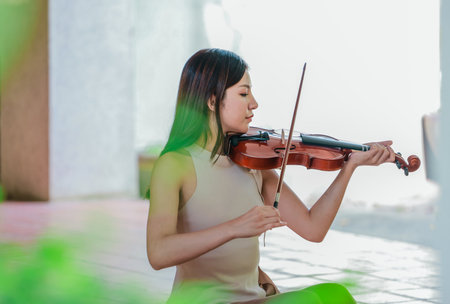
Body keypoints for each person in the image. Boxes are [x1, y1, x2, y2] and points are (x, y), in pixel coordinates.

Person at [146, 48, 395, 303]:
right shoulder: (175, 164)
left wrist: (349, 166)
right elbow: (158, 253)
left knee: (335, 295)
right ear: (211, 101)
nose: (254, 103)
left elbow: (313, 228)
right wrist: (236, 227)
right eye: (243, 93)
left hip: (252, 298)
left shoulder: (252, 163)